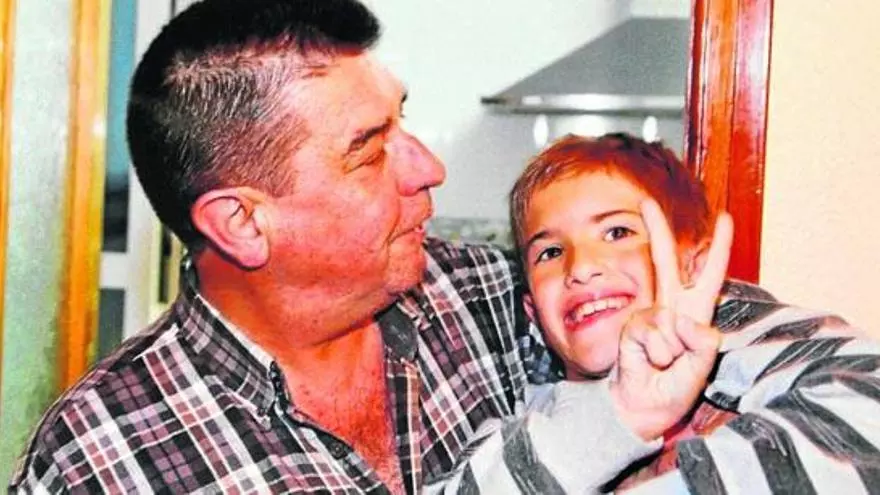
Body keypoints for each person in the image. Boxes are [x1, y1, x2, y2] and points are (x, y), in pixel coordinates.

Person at [8, 0, 879, 492]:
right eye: (369, 148)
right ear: (242, 222)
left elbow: (864, 403)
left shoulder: (505, 294)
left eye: (404, 119)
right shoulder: (103, 457)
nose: (427, 167)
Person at [427, 133, 880, 493]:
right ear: (532, 311)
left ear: (692, 267)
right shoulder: (526, 430)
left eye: (617, 232)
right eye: (550, 252)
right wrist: (619, 415)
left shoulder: (738, 338)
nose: (580, 267)